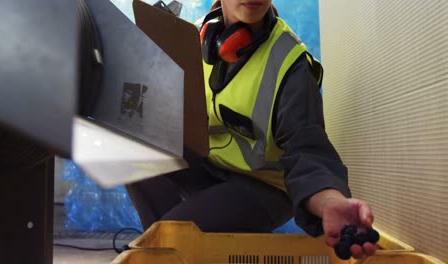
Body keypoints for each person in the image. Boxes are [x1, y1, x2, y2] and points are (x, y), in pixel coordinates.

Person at [126, 0, 377, 259]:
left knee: (173, 233)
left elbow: (307, 150)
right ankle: (172, 249)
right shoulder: (196, 37)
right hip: (212, 166)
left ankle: (171, 248)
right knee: (132, 142)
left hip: (264, 187)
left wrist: (331, 203)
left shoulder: (290, 63)